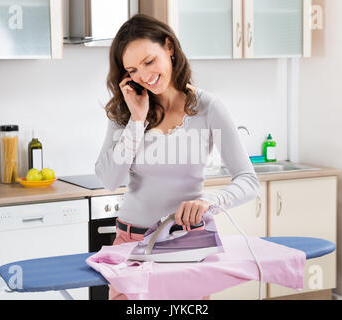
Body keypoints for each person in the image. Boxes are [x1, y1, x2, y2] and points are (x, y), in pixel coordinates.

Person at [95, 14, 260, 300]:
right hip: (130, 245)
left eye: (149, 61)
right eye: (132, 70)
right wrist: (136, 120)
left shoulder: (208, 108)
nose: (144, 76)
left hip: (187, 245)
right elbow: (110, 178)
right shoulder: (127, 109)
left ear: (169, 47)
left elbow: (248, 180)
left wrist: (208, 202)